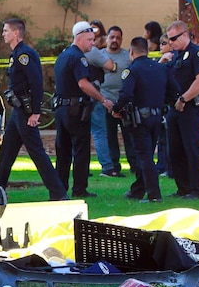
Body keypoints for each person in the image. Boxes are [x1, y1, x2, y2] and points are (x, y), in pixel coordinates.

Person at [0, 19, 68, 201]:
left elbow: (36, 83)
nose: (3, 34)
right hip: (18, 111)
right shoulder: (16, 53)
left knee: (37, 153)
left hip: (25, 113)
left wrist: (35, 112)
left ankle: (58, 192)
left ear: (16, 33)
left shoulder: (24, 55)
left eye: (6, 31)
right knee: (7, 149)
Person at [112, 36, 180, 203]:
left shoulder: (132, 70)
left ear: (132, 52)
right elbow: (175, 90)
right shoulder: (161, 68)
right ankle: (137, 190)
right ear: (147, 51)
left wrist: (116, 109)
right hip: (157, 117)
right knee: (148, 154)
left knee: (144, 156)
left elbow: (126, 94)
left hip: (138, 119)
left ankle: (154, 195)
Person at [53, 21, 114, 198]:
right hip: (75, 111)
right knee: (81, 150)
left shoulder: (63, 55)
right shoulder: (79, 58)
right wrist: (102, 99)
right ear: (79, 38)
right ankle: (80, 189)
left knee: (63, 151)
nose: (92, 43)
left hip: (61, 109)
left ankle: (59, 189)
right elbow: (83, 83)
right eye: (89, 40)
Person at [163, 20, 199, 200]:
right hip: (174, 108)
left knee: (192, 149)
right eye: (169, 39)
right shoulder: (176, 56)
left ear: (185, 34)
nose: (171, 42)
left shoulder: (197, 54)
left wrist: (184, 98)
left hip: (190, 108)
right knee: (175, 150)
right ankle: (183, 188)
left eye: (174, 38)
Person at [100, 26, 137, 178]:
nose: (115, 40)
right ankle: (114, 166)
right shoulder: (99, 56)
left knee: (130, 136)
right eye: (112, 37)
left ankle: (135, 165)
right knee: (110, 136)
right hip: (105, 102)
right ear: (107, 38)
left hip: (125, 103)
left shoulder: (127, 56)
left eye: (118, 37)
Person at [85, 33, 117, 177]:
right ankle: (107, 167)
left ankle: (81, 166)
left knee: (80, 134)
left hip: (77, 99)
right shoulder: (93, 52)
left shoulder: (71, 52)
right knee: (99, 133)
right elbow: (111, 66)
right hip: (93, 96)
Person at [155, 33, 172, 177]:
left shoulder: (174, 61)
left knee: (168, 138)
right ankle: (161, 165)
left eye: (164, 43)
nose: (161, 46)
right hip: (159, 103)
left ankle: (168, 166)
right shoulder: (158, 61)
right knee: (160, 137)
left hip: (170, 103)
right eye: (160, 43)